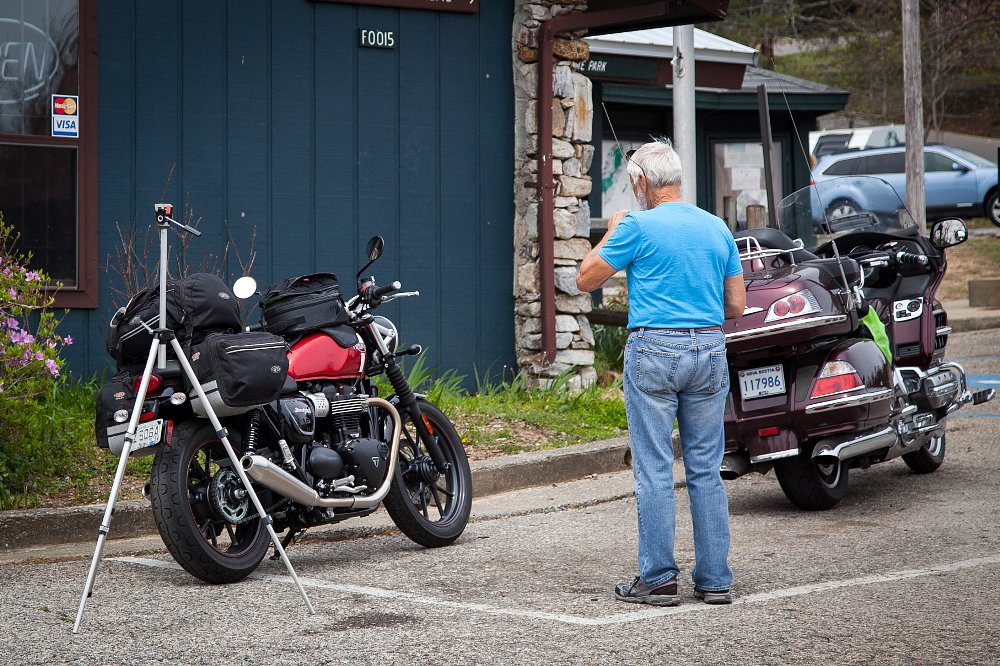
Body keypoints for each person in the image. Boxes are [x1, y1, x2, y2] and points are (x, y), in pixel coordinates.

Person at [576, 139, 746, 606]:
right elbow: (736, 304)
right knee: (705, 469)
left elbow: (585, 278)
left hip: (654, 348)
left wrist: (612, 234)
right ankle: (714, 580)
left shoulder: (635, 226)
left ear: (640, 182)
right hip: (710, 348)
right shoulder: (716, 228)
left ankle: (659, 578)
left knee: (654, 468)